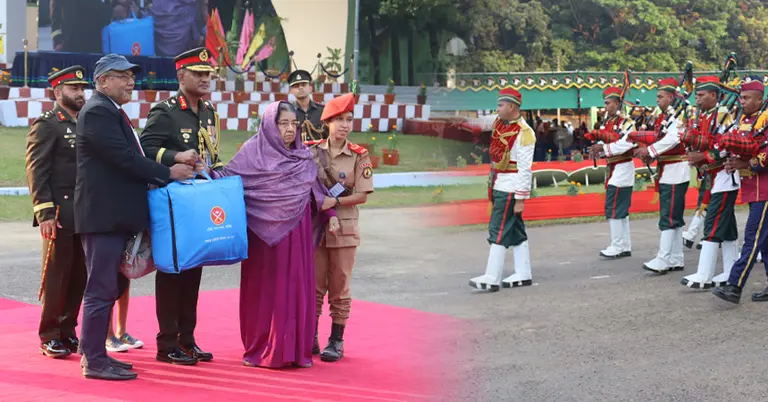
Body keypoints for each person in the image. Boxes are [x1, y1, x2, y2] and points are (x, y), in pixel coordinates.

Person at [75, 54, 196, 380]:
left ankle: (96, 354)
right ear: (102, 81)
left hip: (111, 217)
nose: (130, 82)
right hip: (103, 218)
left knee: (106, 288)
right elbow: (124, 158)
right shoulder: (98, 111)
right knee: (100, 289)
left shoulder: (109, 110)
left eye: (131, 76)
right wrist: (168, 172)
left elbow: (128, 157)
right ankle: (94, 360)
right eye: (122, 76)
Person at [211, 101, 340, 368]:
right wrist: (204, 173)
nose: (290, 129)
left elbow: (316, 191)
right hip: (264, 241)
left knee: (295, 289)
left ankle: (295, 351)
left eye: (294, 123)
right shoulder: (252, 153)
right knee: (267, 292)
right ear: (270, 125)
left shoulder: (303, 157)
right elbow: (228, 178)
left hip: (298, 235)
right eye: (283, 123)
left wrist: (331, 215)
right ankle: (264, 349)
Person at [140, 47, 219, 365]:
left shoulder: (209, 111)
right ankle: (167, 343)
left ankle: (188, 340)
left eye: (207, 74)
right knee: (172, 271)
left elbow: (212, 153)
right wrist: (176, 157)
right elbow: (145, 148)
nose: (205, 78)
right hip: (172, 204)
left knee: (193, 271)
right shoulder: (166, 111)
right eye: (198, 73)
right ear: (181, 76)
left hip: (199, 201)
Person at [25, 65, 89, 359]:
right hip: (60, 213)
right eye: (74, 88)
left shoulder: (86, 122)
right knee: (56, 276)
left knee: (79, 275)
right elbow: (36, 170)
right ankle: (49, 334)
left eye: (82, 88)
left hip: (85, 212)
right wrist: (45, 213)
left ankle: (67, 330)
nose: (80, 93)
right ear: (57, 91)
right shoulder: (48, 124)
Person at [308, 93, 374, 362]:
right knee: (313, 286)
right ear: (327, 122)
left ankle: (336, 340)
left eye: (349, 120)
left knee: (340, 286)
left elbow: (362, 195)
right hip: (315, 228)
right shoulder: (312, 152)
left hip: (344, 229)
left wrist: (333, 202)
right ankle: (310, 336)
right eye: (339, 120)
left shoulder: (359, 155)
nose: (345, 125)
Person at [468, 88, 536, 292]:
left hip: (510, 187)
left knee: (499, 229)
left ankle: (492, 277)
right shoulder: (500, 124)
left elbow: (525, 168)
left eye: (500, 105)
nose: (497, 108)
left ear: (512, 106)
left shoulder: (524, 133)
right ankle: (523, 273)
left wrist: (520, 198)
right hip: (500, 183)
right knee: (515, 231)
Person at [711, 79, 768, 303]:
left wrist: (746, 163)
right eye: (741, 98)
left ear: (759, 99)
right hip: (753, 189)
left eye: (746, 98)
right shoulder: (744, 120)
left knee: (752, 238)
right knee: (764, 242)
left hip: (765, 189)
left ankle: (734, 285)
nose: (742, 102)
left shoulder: (765, 120)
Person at [678, 76, 738, 289]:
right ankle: (731, 272)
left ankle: (704, 275)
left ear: (714, 95)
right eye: (696, 95)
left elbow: (727, 145)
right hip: (712, 176)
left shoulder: (723, 115)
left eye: (701, 95)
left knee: (712, 224)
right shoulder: (702, 115)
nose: (698, 98)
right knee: (727, 227)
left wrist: (703, 156)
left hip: (725, 176)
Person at [632, 77, 689, 274]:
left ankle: (664, 258)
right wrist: (652, 153)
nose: (657, 100)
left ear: (671, 97)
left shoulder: (678, 117)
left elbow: (673, 139)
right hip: (669, 170)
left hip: (676, 171)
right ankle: (676, 257)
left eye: (660, 96)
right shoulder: (665, 117)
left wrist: (650, 151)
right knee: (674, 216)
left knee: (669, 216)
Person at [588, 87, 636, 259]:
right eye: (605, 103)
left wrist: (604, 148)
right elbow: (607, 143)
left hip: (623, 167)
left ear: (616, 103)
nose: (605, 106)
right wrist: (598, 150)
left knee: (615, 207)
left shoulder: (627, 123)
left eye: (608, 103)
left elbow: (628, 144)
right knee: (620, 208)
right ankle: (624, 245)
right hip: (614, 168)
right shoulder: (608, 122)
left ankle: (617, 245)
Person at [289, 69, 325, 142]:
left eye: (303, 85)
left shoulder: (322, 110)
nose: (300, 88)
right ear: (291, 91)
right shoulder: (288, 111)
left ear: (310, 88)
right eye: (296, 86)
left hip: (318, 148)